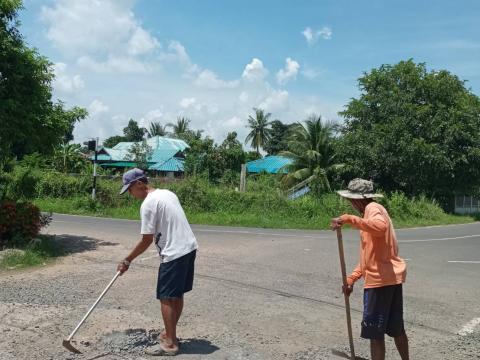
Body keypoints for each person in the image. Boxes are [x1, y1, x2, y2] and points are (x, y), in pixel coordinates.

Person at [117, 168, 198, 356]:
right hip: (189, 247)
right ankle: (171, 334)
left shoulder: (148, 204)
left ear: (139, 184)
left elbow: (146, 239)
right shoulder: (167, 193)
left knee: (166, 297)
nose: (130, 194)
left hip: (174, 252)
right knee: (176, 295)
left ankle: (170, 343)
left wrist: (127, 260)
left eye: (130, 189)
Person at [331, 178, 409, 360]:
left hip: (379, 283)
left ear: (357, 200)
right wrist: (352, 278)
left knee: (375, 334)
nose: (350, 204)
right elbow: (370, 256)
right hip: (390, 279)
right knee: (396, 329)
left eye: (350, 200)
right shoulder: (373, 211)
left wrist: (348, 219)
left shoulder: (372, 209)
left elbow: (380, 227)